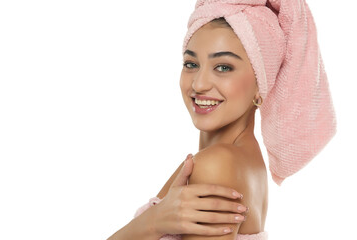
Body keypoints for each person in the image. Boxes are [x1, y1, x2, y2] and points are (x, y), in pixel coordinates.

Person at [108, 0, 336, 239]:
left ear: (261, 84)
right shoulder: (236, 159)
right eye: (191, 64)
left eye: (224, 67)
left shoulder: (217, 165)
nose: (199, 84)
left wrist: (151, 224)